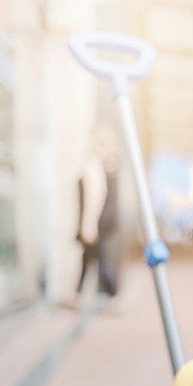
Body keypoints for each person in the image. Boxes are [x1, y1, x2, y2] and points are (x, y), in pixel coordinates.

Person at [74, 124, 123, 314]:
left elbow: (95, 194)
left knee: (100, 258)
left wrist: (88, 223)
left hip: (97, 220)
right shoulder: (110, 164)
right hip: (107, 219)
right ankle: (77, 294)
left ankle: (113, 296)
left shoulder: (93, 164)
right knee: (89, 258)